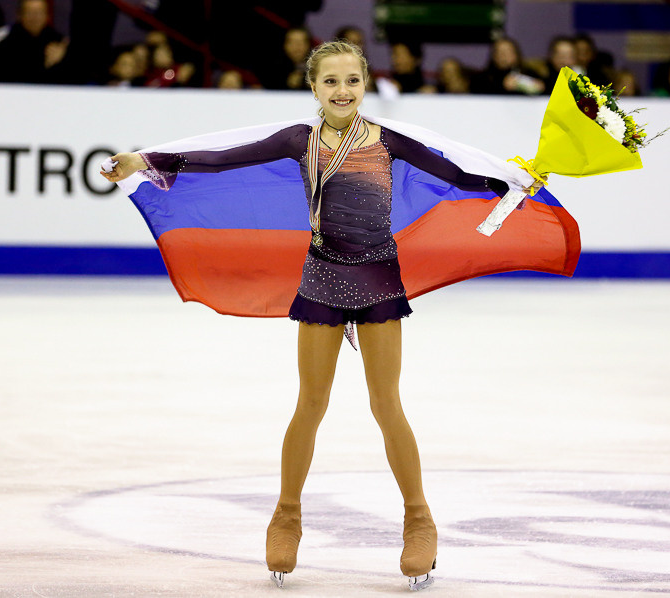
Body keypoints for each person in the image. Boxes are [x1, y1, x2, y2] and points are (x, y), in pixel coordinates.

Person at [101, 41, 572, 590]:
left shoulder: (390, 141)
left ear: (366, 83)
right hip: (322, 275)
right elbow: (224, 158)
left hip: (377, 278)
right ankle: (287, 514)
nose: (342, 91)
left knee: (386, 404)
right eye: (330, 82)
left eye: (352, 80)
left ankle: (419, 519)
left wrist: (515, 183)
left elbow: (460, 178)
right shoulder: (297, 141)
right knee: (310, 403)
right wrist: (147, 160)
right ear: (313, 87)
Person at [470, 37, 545, 95]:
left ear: (516, 55)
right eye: (499, 52)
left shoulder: (530, 74)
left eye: (508, 52)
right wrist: (502, 86)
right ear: (493, 56)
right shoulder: (482, 79)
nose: (504, 56)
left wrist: (528, 86)